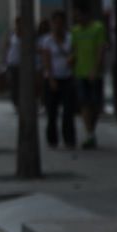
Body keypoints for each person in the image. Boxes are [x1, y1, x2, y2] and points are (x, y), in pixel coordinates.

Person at [71, 8, 108, 149]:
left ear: (86, 15)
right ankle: (90, 134)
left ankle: (91, 130)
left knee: (96, 104)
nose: (77, 20)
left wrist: (95, 69)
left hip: (95, 74)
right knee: (84, 103)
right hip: (80, 73)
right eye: (76, 17)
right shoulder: (75, 31)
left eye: (79, 16)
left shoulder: (98, 28)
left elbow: (101, 49)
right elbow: (74, 50)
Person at [39, 11, 76, 149]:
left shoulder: (70, 38)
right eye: (56, 23)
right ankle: (52, 139)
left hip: (67, 77)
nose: (59, 25)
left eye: (61, 22)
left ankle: (69, 139)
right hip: (52, 79)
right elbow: (46, 60)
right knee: (52, 112)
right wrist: (51, 79)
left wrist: (72, 60)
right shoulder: (47, 40)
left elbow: (74, 53)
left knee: (68, 111)